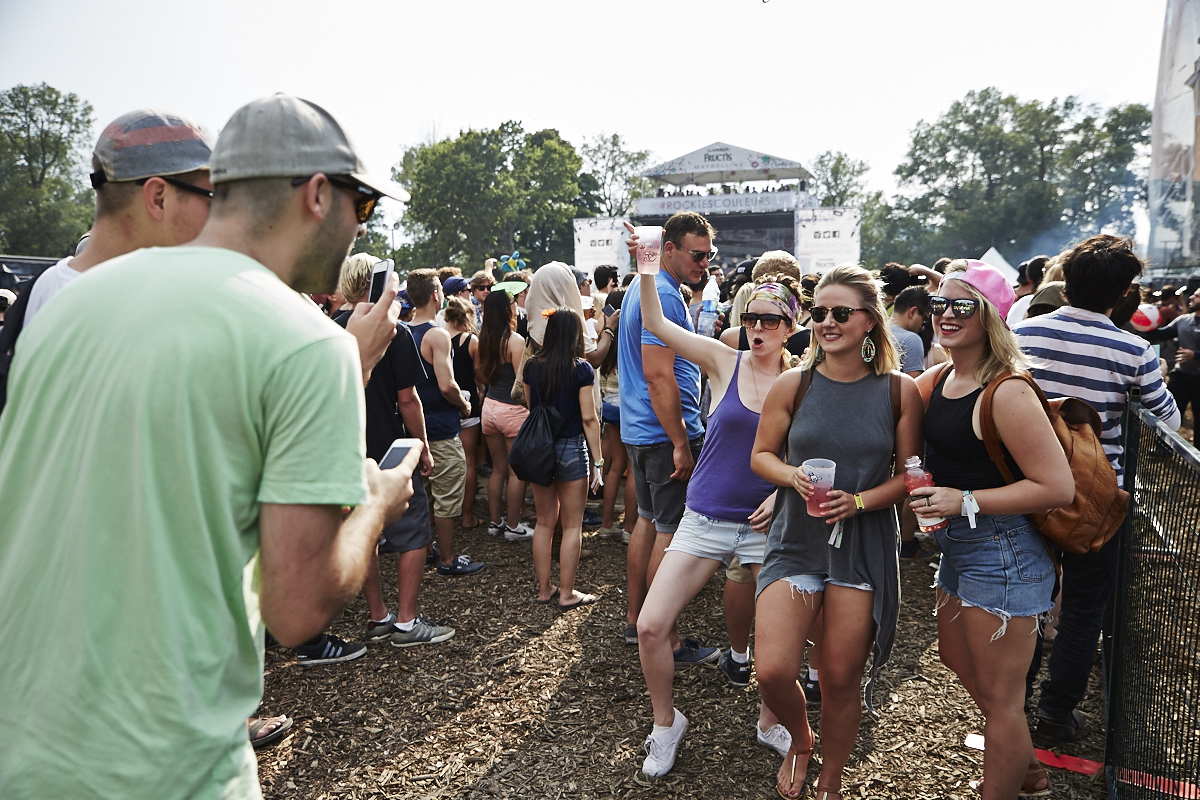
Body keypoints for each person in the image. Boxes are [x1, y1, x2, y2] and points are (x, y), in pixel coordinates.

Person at [0, 93, 421, 799]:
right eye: (366, 206)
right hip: (163, 763)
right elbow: (297, 609)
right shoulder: (306, 343)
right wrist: (377, 503)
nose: (362, 230)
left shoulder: (67, 302)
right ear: (319, 195)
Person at [751, 265, 922, 800]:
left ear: (870, 321)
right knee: (773, 669)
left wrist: (862, 501)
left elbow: (913, 474)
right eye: (819, 312)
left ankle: (830, 778)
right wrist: (791, 476)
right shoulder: (792, 383)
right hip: (796, 538)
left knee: (841, 680)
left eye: (840, 313)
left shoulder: (899, 391)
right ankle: (802, 741)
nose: (827, 322)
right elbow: (761, 457)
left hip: (863, 546)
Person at [914, 260, 1074, 799]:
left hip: (1004, 554)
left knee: (1002, 700)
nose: (947, 314)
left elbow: (1057, 486)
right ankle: (1026, 767)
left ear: (992, 316)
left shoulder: (1007, 390)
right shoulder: (938, 378)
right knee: (959, 662)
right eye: (941, 304)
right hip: (958, 549)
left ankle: (1014, 783)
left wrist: (964, 500)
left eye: (963, 305)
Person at [1013, 237, 1181, 748]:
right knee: (1084, 608)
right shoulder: (1134, 349)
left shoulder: (1023, 332)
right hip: (1097, 499)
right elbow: (1167, 422)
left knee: (1024, 601)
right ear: (1124, 292)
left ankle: (1011, 707)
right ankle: (1056, 715)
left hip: (1026, 487)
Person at [635, 271, 804, 778]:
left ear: (790, 325)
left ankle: (770, 721)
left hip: (766, 527)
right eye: (750, 316)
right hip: (705, 516)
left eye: (769, 319)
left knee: (780, 645)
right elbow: (655, 322)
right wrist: (646, 268)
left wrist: (784, 490)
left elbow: (816, 452)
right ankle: (666, 726)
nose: (757, 327)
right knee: (650, 625)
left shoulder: (804, 381)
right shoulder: (723, 361)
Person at [332, 254, 453, 648]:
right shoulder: (395, 332)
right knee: (414, 532)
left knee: (363, 533)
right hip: (392, 448)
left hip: (345, 450)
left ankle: (378, 615)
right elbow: (408, 400)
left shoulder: (326, 329)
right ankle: (406, 620)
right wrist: (424, 449)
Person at [619, 214, 719, 667]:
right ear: (672, 250)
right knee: (669, 532)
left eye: (709, 255)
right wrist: (680, 440)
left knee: (646, 521)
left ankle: (636, 617)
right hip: (662, 433)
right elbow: (660, 377)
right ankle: (667, 638)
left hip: (642, 430)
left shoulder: (646, 287)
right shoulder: (661, 293)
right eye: (697, 255)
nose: (705, 264)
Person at [519, 307, 602, 611]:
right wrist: (598, 462)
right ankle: (567, 592)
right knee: (571, 526)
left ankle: (544, 589)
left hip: (539, 449)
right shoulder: (581, 369)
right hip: (570, 448)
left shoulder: (531, 368)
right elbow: (589, 419)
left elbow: (533, 411)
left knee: (544, 522)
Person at [406, 268, 486, 576]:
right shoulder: (436, 334)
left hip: (413, 428)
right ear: (435, 294)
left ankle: (428, 550)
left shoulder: (402, 330)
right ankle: (448, 559)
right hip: (439, 426)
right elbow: (447, 385)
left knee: (423, 493)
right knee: (447, 495)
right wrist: (465, 404)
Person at [478, 288, 534, 540]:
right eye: (512, 303)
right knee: (516, 471)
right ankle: (513, 525)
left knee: (498, 469)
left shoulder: (483, 337)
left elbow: (481, 374)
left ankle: (495, 522)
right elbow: (522, 382)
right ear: (506, 309)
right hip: (512, 411)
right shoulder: (515, 340)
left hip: (489, 407)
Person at [594, 289, 637, 540]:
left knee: (614, 467)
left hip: (609, 406)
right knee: (633, 469)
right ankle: (629, 529)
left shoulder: (606, 336)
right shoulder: (633, 335)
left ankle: (606, 524)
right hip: (630, 407)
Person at [1142, 283, 1199, 444]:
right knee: (1170, 414)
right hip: (1181, 375)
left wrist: (1194, 355)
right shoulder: (1182, 320)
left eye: (1197, 295)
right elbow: (1160, 334)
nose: (1192, 297)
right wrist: (1144, 321)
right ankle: (1162, 447)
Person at [445, 295, 483, 529]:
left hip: (444, 406)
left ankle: (439, 514)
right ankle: (467, 515)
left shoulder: (433, 338)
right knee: (469, 462)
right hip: (469, 407)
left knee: (443, 463)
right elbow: (480, 377)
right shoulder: (471, 341)